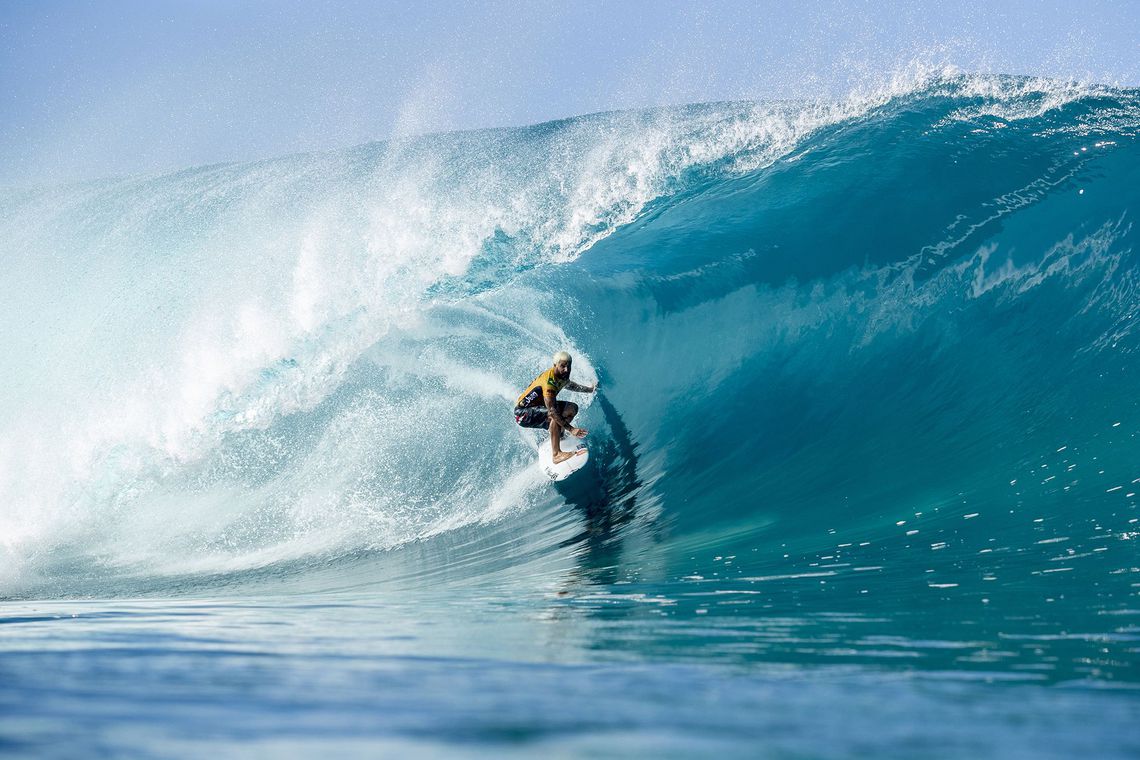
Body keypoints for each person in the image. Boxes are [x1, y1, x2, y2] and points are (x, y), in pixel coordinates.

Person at [514, 351, 596, 464]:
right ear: (555, 365)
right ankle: (556, 454)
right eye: (562, 366)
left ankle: (559, 435)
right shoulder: (549, 384)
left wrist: (590, 390)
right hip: (522, 414)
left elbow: (569, 385)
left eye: (568, 366)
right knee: (555, 415)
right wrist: (571, 429)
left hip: (537, 407)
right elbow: (552, 412)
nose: (566, 369)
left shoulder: (562, 375)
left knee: (572, 408)